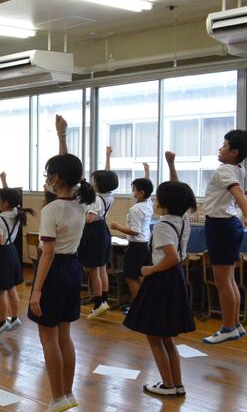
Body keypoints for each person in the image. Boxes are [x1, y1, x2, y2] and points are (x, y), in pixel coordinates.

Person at [28, 115, 96, 412]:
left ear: (56, 178)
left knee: (48, 338)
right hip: (73, 269)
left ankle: (57, 396)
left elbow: (47, 253)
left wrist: (36, 291)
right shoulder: (81, 202)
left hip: (54, 272)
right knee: (64, 336)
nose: (47, 178)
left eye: (49, 175)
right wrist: (62, 136)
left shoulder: (51, 210)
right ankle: (67, 393)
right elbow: (71, 170)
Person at [123, 152, 196, 396]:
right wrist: (171, 165)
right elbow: (178, 191)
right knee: (167, 337)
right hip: (174, 280)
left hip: (161, 280)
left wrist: (149, 269)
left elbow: (171, 257)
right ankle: (177, 384)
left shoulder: (164, 225)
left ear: (166, 202)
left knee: (155, 337)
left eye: (158, 197)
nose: (155, 200)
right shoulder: (182, 220)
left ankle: (167, 385)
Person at [201, 129, 247, 344]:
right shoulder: (239, 169)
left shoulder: (224, 170)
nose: (220, 148)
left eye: (224, 145)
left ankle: (228, 327)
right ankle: (235, 324)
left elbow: (237, 193)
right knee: (230, 280)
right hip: (230, 225)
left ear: (234, 152)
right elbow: (238, 192)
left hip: (221, 226)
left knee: (223, 281)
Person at [0, 172, 33, 339]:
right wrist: (4, 181)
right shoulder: (16, 212)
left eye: (0, 199)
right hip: (12, 252)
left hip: (1, 254)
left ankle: (3, 322)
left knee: (1, 291)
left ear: (5, 203)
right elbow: (11, 197)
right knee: (11, 287)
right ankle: (15, 318)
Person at [78, 146, 118, 319]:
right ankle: (104, 300)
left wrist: (78, 218)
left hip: (94, 232)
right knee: (102, 268)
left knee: (94, 270)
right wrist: (107, 156)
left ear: (99, 184)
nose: (92, 183)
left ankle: (97, 304)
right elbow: (107, 175)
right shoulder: (109, 195)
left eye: (94, 181)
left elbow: (89, 219)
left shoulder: (96, 200)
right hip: (103, 230)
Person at [110, 163, 153, 304]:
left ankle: (138, 306)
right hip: (144, 245)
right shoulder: (148, 204)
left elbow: (135, 230)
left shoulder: (136, 209)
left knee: (130, 277)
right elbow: (147, 186)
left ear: (141, 193)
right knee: (140, 276)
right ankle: (145, 305)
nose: (132, 193)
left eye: (133, 190)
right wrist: (147, 172)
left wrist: (117, 227)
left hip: (135, 247)